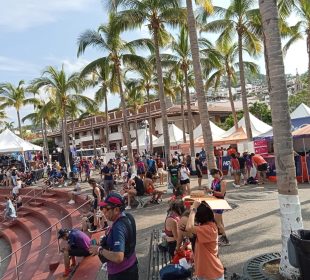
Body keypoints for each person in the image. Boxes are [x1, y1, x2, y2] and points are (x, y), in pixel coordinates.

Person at [89, 193, 139, 280]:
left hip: (121, 274)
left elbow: (118, 257)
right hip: (132, 266)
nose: (104, 212)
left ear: (116, 210)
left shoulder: (118, 227)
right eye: (102, 209)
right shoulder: (128, 216)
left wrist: (99, 250)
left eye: (106, 209)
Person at [186, 200, 225, 280]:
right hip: (207, 272)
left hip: (212, 274)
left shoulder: (208, 229)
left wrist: (194, 209)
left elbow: (189, 227)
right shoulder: (207, 226)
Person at [207, 169, 230, 246]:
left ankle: (225, 239)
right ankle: (222, 237)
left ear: (217, 173)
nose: (213, 176)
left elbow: (222, 194)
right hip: (215, 202)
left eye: (213, 175)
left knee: (218, 222)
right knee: (220, 222)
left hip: (220, 203)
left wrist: (212, 191)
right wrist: (208, 190)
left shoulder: (223, 182)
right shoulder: (214, 181)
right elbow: (212, 191)